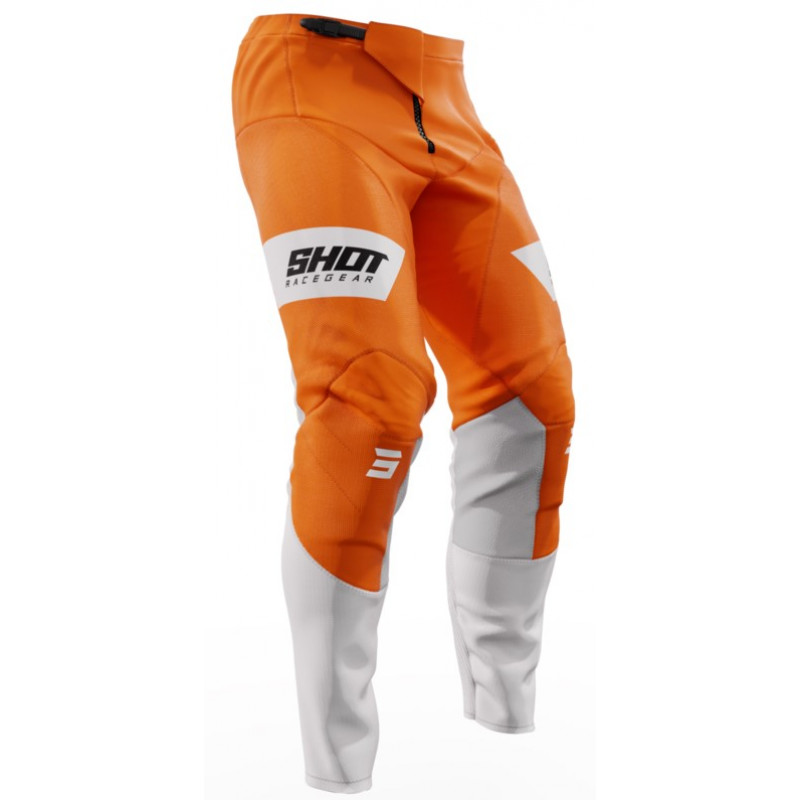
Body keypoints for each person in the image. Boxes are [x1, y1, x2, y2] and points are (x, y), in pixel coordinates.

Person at [232, 13, 575, 793]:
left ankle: (503, 728)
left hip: (442, 89)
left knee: (533, 401)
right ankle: (338, 767)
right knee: (365, 403)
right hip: (312, 82)